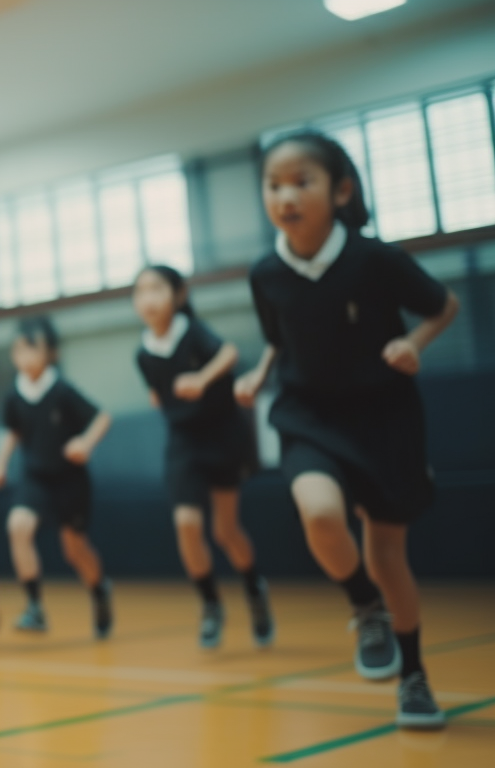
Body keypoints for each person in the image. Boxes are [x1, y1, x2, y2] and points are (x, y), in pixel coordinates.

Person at [235, 130, 460, 728]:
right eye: (273, 184)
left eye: (300, 182)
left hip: (384, 415)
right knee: (319, 513)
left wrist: (412, 343)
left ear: (340, 190)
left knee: (388, 557)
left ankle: (413, 676)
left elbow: (444, 306)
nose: (285, 195)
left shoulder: (374, 258)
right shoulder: (265, 274)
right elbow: (277, 339)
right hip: (308, 414)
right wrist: (259, 374)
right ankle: (366, 608)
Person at [132, 266, 274, 650]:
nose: (148, 298)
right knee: (186, 524)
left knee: (226, 530)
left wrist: (201, 379)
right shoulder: (143, 353)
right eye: (140, 291)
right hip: (183, 443)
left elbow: (229, 354)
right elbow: (156, 393)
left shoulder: (192, 332)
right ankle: (211, 604)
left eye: (157, 288)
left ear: (178, 295)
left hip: (222, 436)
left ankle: (254, 590)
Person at [0, 317, 114, 638]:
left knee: (74, 549)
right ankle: (34, 607)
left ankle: (99, 590)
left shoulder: (62, 390)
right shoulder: (15, 395)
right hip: (35, 477)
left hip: (69, 479)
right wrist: (0, 463)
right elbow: (14, 432)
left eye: (33, 350)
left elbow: (101, 418)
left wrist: (85, 443)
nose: (25, 357)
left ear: (51, 353)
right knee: (18, 526)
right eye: (18, 350)